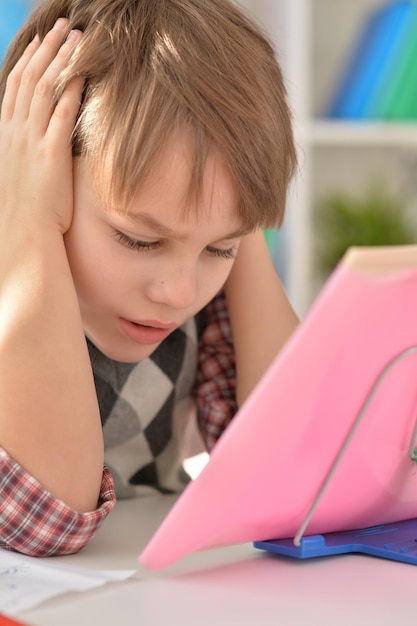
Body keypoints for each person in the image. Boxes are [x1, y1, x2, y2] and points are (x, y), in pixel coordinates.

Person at [0, 0, 298, 557]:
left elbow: (295, 470)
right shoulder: (10, 274)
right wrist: (28, 223)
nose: (179, 293)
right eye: (139, 240)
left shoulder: (204, 308)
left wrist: (235, 208)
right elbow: (48, 518)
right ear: (40, 172)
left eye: (220, 248)